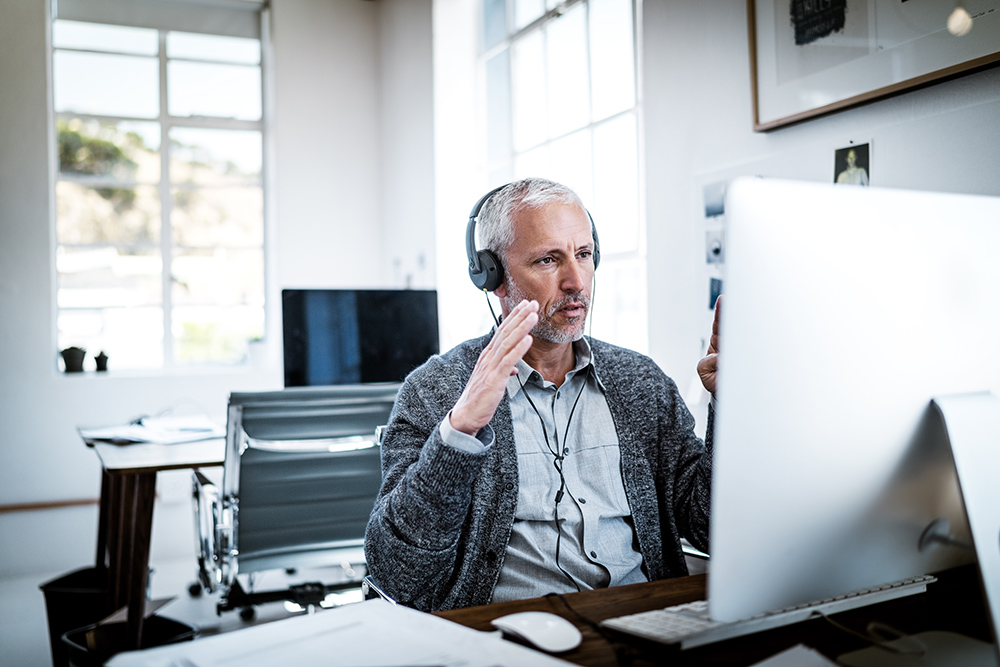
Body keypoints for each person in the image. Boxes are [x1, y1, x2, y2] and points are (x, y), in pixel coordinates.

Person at [364, 178, 719, 612]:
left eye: (584, 255)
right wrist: (459, 432)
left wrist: (733, 409)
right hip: (508, 640)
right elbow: (396, 572)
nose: (576, 281)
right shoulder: (436, 389)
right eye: (548, 260)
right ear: (492, 277)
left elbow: (709, 529)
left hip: (645, 623)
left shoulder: (641, 382)